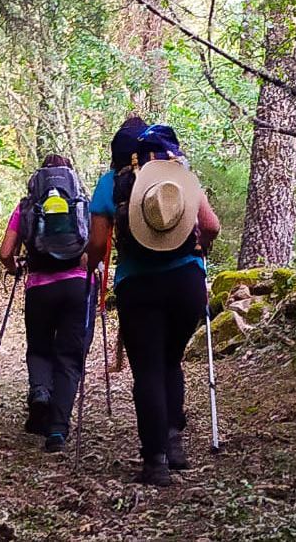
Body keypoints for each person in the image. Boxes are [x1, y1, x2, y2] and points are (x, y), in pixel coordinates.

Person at [87, 117, 221, 487]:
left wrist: (90, 267)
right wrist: (199, 248)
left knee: (147, 370)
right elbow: (210, 226)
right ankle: (174, 442)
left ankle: (156, 461)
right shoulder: (180, 175)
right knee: (170, 362)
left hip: (138, 286)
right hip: (186, 283)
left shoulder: (110, 183)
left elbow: (98, 245)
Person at [0, 154, 91, 452]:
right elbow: (94, 247)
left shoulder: (27, 206)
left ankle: (40, 392)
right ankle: (57, 431)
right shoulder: (81, 203)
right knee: (69, 357)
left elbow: (5, 253)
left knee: (39, 347)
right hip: (76, 287)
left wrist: (17, 269)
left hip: (39, 286)